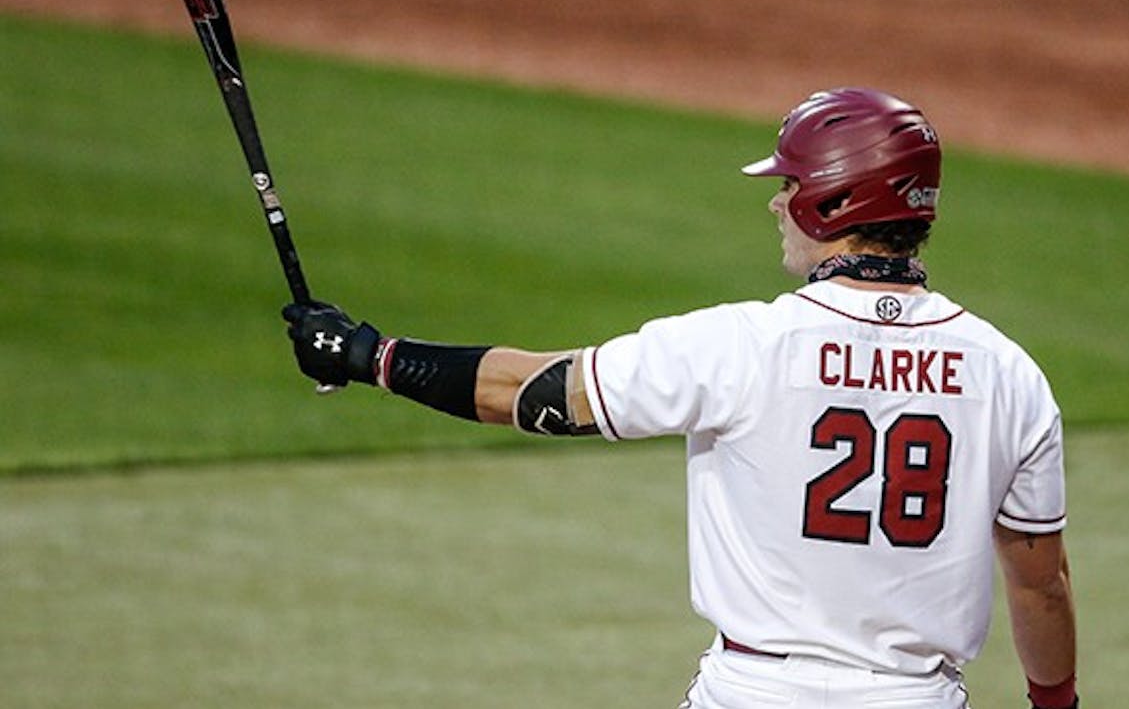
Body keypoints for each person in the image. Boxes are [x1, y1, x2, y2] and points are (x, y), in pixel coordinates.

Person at [282, 87, 1078, 709]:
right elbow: (1040, 582)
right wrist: (1055, 701)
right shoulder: (1009, 375)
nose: (776, 200)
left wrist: (369, 354)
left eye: (791, 183)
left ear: (832, 203)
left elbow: (534, 393)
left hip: (753, 693)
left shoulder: (740, 345)